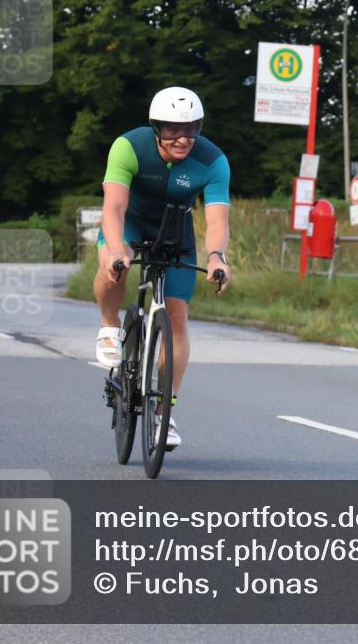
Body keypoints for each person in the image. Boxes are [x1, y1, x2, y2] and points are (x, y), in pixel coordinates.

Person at [93, 86, 232, 451]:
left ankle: (163, 414)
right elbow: (114, 209)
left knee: (177, 316)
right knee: (115, 267)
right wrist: (113, 251)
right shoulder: (129, 146)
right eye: (172, 130)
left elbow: (217, 218)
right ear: (156, 128)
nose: (183, 138)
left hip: (176, 229)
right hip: (131, 223)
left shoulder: (213, 160)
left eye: (191, 129)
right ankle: (109, 326)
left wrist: (217, 256)